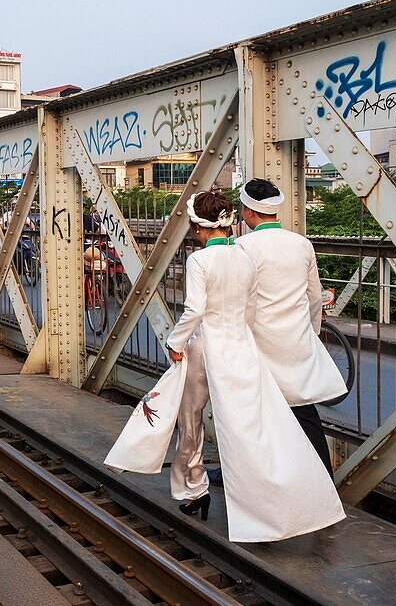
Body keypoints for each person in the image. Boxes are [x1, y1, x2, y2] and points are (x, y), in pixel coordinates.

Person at [105, 191, 345, 542]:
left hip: (209, 347)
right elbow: (270, 305)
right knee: (253, 430)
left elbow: (195, 309)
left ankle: (194, 486)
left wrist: (175, 343)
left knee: (191, 419)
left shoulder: (205, 259)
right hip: (245, 347)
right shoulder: (262, 252)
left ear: (200, 228)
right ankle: (285, 496)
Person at [234, 178, 347, 475]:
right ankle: (322, 473)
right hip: (295, 340)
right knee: (303, 409)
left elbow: (241, 302)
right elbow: (314, 297)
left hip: (259, 340)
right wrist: (311, 332)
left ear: (248, 211)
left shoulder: (242, 246)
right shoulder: (302, 244)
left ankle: (256, 476)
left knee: (255, 413)